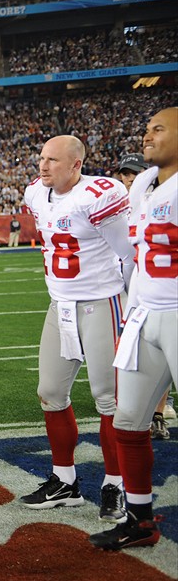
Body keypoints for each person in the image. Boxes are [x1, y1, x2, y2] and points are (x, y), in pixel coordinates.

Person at [19, 135, 135, 523]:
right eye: (41, 157)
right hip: (60, 305)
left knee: (109, 400)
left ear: (75, 165)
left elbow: (129, 253)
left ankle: (115, 484)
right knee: (50, 392)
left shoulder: (101, 194)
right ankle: (64, 481)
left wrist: (133, 305)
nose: (43, 165)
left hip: (102, 303)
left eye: (53, 159)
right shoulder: (36, 193)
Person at [90, 107, 178, 550]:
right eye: (146, 127)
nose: (148, 135)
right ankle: (140, 521)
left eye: (158, 128)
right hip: (145, 313)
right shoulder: (143, 183)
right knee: (128, 420)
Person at [114, 151, 173, 440]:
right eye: (125, 173)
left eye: (134, 173)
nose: (129, 178)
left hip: (155, 287)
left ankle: (159, 412)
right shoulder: (116, 202)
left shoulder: (162, 199)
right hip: (123, 285)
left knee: (157, 348)